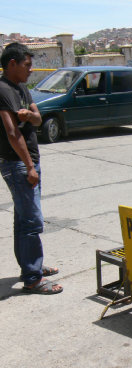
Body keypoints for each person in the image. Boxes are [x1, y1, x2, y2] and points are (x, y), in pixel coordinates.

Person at [0, 43, 62, 294]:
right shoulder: (3, 90)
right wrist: (28, 166)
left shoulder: (21, 88)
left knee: (22, 219)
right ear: (12, 64)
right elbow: (13, 133)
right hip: (18, 164)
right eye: (26, 65)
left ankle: (30, 266)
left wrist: (30, 116)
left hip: (28, 162)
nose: (31, 69)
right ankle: (33, 277)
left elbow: (38, 117)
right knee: (31, 221)